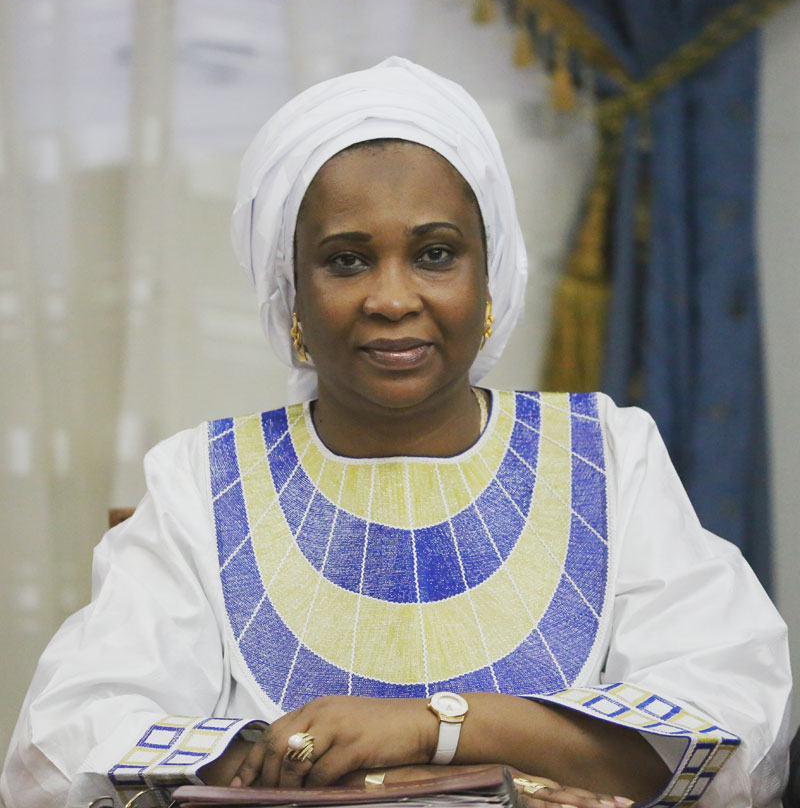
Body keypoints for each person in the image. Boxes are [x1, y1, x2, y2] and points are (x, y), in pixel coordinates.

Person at [0, 57, 791, 808]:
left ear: (490, 276)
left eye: (435, 254)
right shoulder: (201, 480)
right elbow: (65, 745)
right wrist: (359, 773)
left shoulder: (609, 454)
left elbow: (728, 726)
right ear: (290, 292)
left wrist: (427, 728)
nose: (392, 298)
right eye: (346, 261)